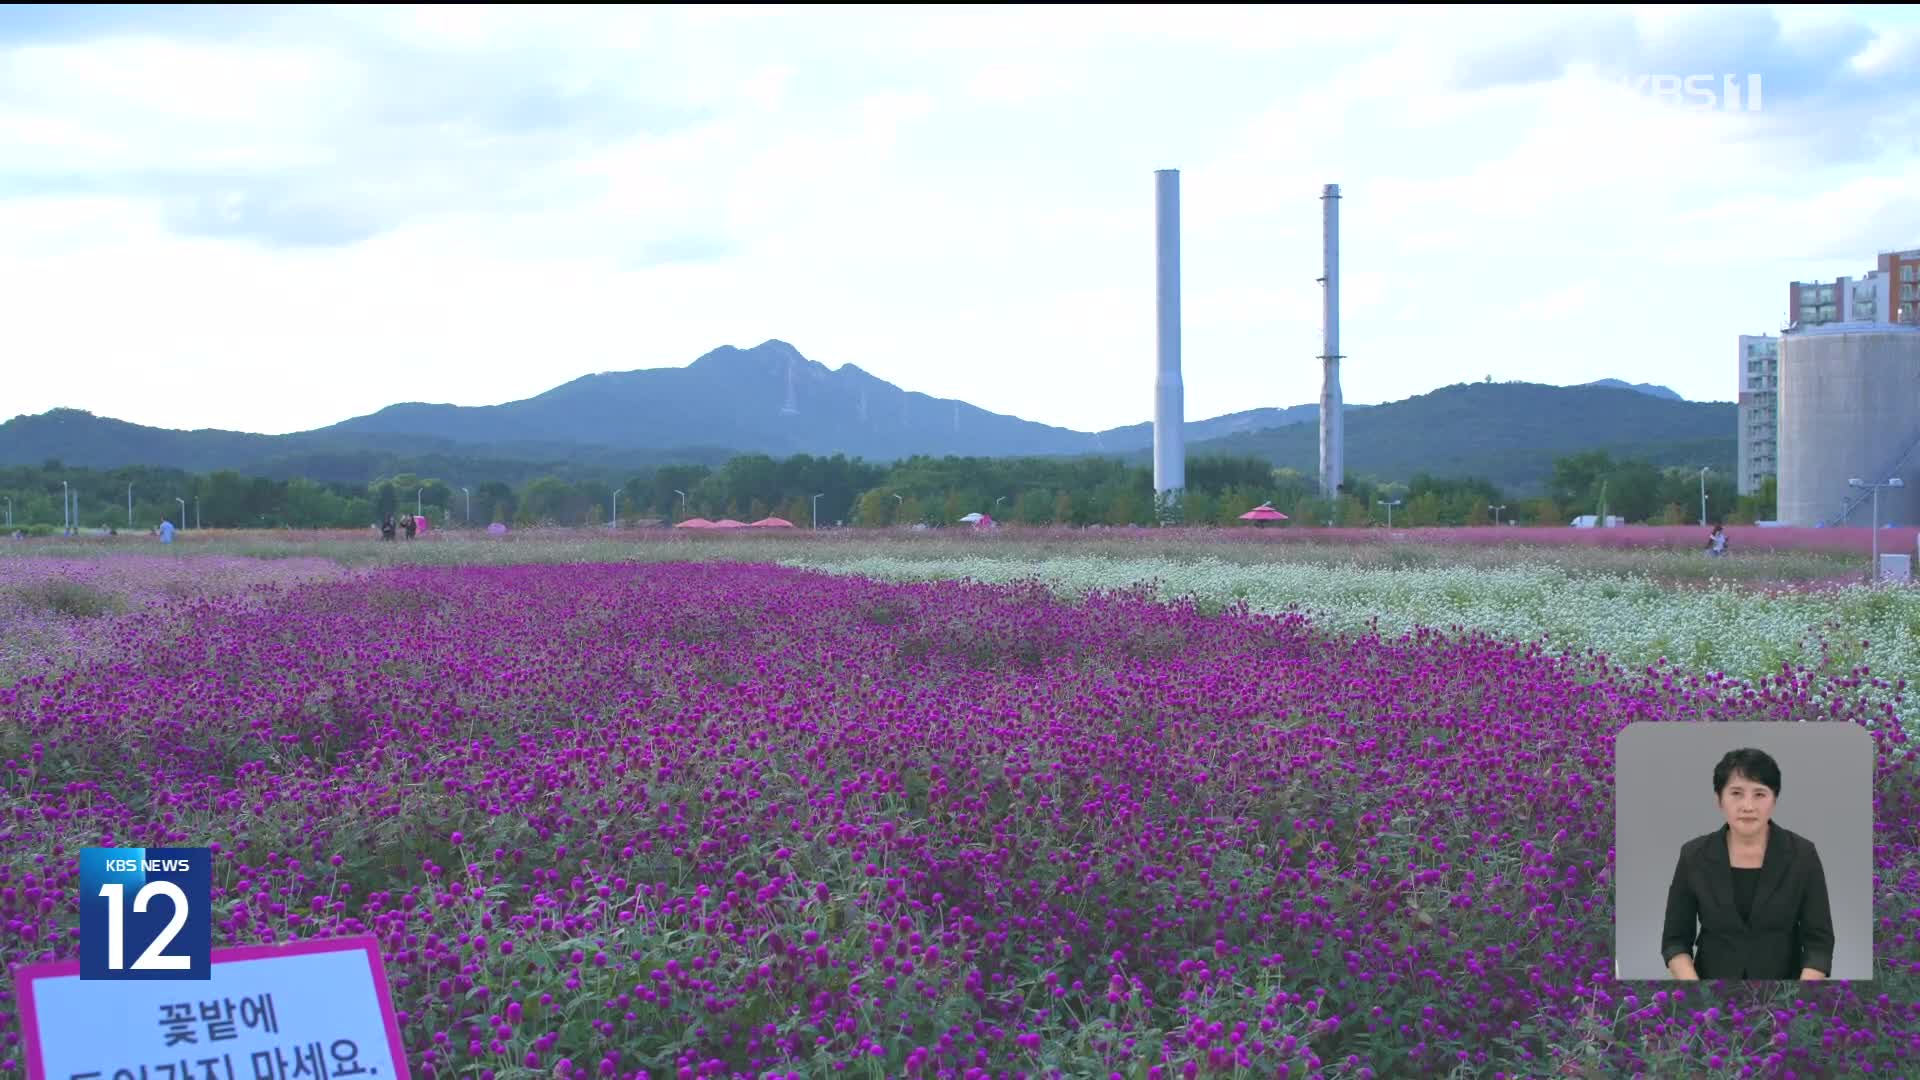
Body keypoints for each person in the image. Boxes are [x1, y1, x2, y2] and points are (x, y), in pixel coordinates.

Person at [1660, 747, 1835, 981]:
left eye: (1760, 794)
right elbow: (1675, 940)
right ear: (1719, 800)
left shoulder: (1802, 854)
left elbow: (1819, 943)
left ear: (1774, 800)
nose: (1748, 806)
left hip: (1785, 996)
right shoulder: (1693, 855)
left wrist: (1800, 997)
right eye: (1736, 793)